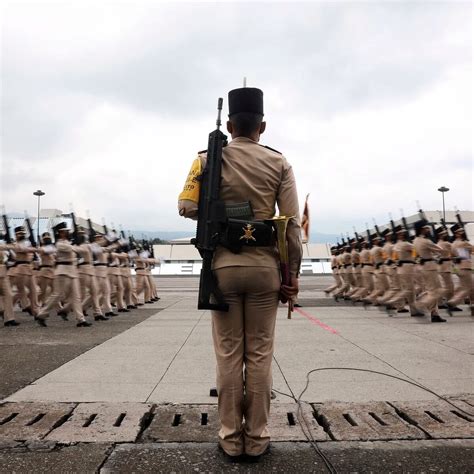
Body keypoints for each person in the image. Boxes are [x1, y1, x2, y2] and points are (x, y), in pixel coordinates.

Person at [178, 86, 302, 460]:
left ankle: (231, 439)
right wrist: (291, 275)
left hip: (224, 269)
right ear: (261, 126)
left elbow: (185, 206)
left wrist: (219, 207)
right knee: (260, 353)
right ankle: (259, 437)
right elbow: (292, 227)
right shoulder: (279, 162)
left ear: (229, 124)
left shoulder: (206, 159)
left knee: (229, 355)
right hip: (265, 268)